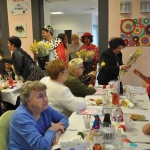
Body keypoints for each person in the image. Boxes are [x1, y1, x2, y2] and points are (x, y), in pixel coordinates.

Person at [8, 81, 68, 150]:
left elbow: (64, 118)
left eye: (45, 94)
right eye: (40, 96)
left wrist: (58, 132)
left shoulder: (44, 108)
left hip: (48, 145)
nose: (46, 99)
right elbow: (42, 147)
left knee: (79, 146)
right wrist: (52, 129)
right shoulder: (20, 117)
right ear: (28, 101)